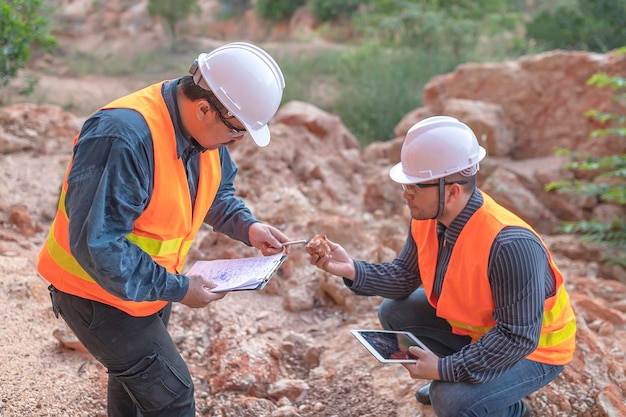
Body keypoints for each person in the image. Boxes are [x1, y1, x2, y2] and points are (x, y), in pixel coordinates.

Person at [38, 42, 292, 417]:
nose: (238, 141)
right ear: (204, 107)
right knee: (172, 397)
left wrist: (249, 227)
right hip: (95, 293)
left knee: (136, 393)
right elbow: (98, 246)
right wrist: (180, 288)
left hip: (145, 287)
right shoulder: (123, 137)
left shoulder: (205, 133)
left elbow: (214, 191)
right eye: (238, 131)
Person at [308, 116, 576, 417]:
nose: (405, 193)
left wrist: (446, 369)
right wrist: (351, 270)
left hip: (534, 350)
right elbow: (405, 276)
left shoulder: (509, 244)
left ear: (451, 191)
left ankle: (509, 409)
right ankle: (470, 383)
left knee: (450, 400)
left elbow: (517, 337)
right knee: (393, 311)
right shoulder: (428, 218)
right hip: (486, 333)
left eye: (414, 186)